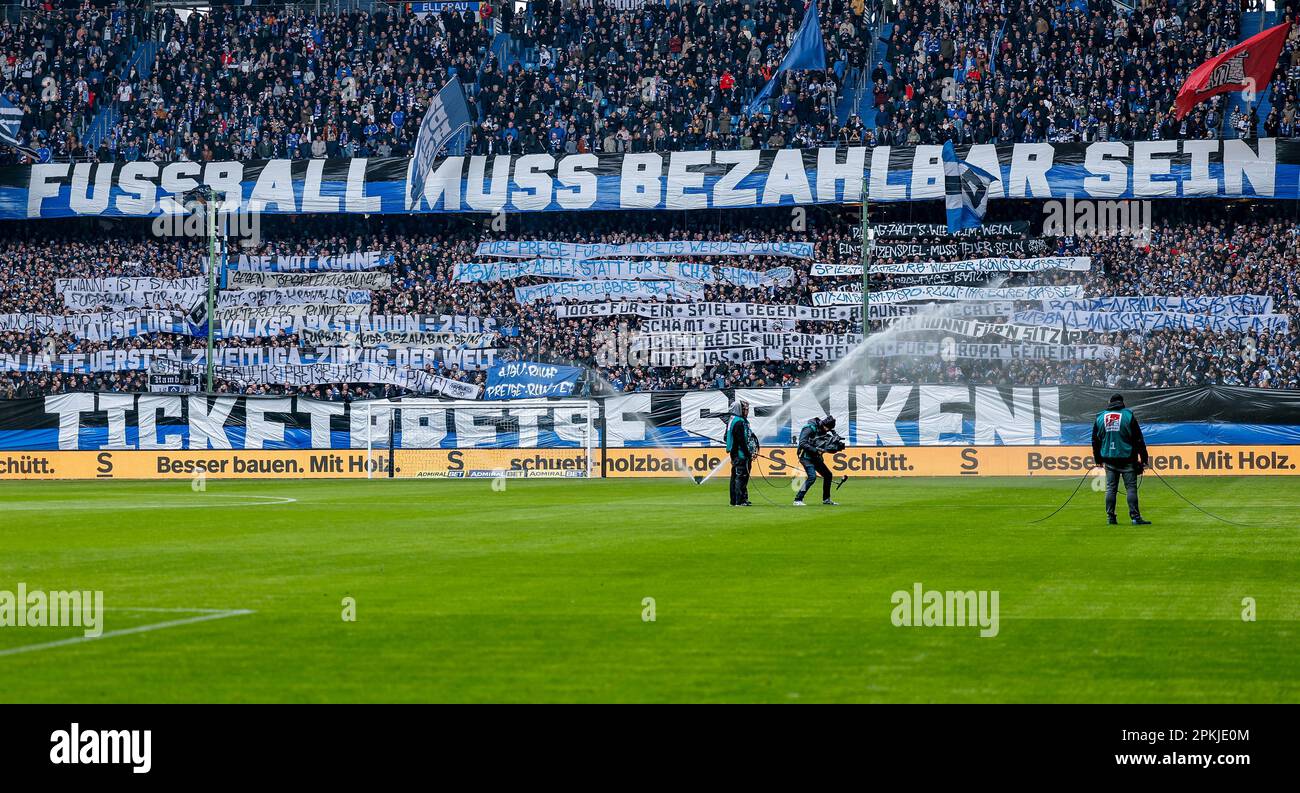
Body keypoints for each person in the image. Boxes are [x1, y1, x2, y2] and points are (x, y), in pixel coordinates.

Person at [1091, 394, 1152, 526]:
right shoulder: (1128, 415)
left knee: (1111, 489)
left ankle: (1110, 517)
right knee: (1131, 488)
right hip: (1127, 458)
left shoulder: (1100, 417)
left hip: (1109, 458)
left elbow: (1095, 441)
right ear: (1122, 402)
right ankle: (1135, 518)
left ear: (1109, 402)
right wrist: (1144, 459)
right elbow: (1138, 439)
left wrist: (1098, 459)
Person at [794, 416, 842, 506]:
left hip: (815, 457)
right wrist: (816, 450)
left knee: (828, 475)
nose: (827, 430)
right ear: (824, 425)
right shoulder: (809, 428)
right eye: (827, 428)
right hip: (805, 457)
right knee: (812, 477)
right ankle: (798, 499)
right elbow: (802, 443)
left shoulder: (822, 429)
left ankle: (826, 499)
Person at [725, 398, 755, 506]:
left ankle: (737, 499)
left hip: (736, 453)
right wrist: (747, 453)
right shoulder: (739, 423)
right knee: (740, 477)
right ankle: (739, 500)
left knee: (737, 477)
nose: (747, 412)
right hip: (740, 454)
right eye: (745, 409)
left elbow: (726, 437)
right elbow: (741, 441)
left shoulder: (733, 420)